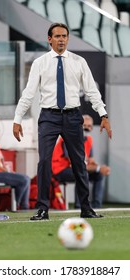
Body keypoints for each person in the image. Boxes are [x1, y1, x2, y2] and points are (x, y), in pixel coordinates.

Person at [13, 22, 112, 220]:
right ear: (49, 39)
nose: (61, 40)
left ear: (68, 38)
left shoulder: (79, 61)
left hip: (73, 116)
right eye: (57, 36)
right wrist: (17, 119)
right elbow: (28, 93)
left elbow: (92, 91)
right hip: (48, 117)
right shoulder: (40, 63)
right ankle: (42, 209)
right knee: (44, 162)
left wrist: (103, 115)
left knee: (79, 163)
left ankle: (86, 208)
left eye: (64, 36)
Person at [52, 114, 111, 209]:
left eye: (89, 126)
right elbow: (75, 164)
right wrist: (99, 168)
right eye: (84, 126)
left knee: (98, 175)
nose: (87, 128)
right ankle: (79, 207)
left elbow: (90, 161)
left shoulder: (89, 139)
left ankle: (96, 206)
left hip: (76, 168)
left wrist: (98, 168)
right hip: (59, 170)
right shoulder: (69, 138)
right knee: (82, 173)